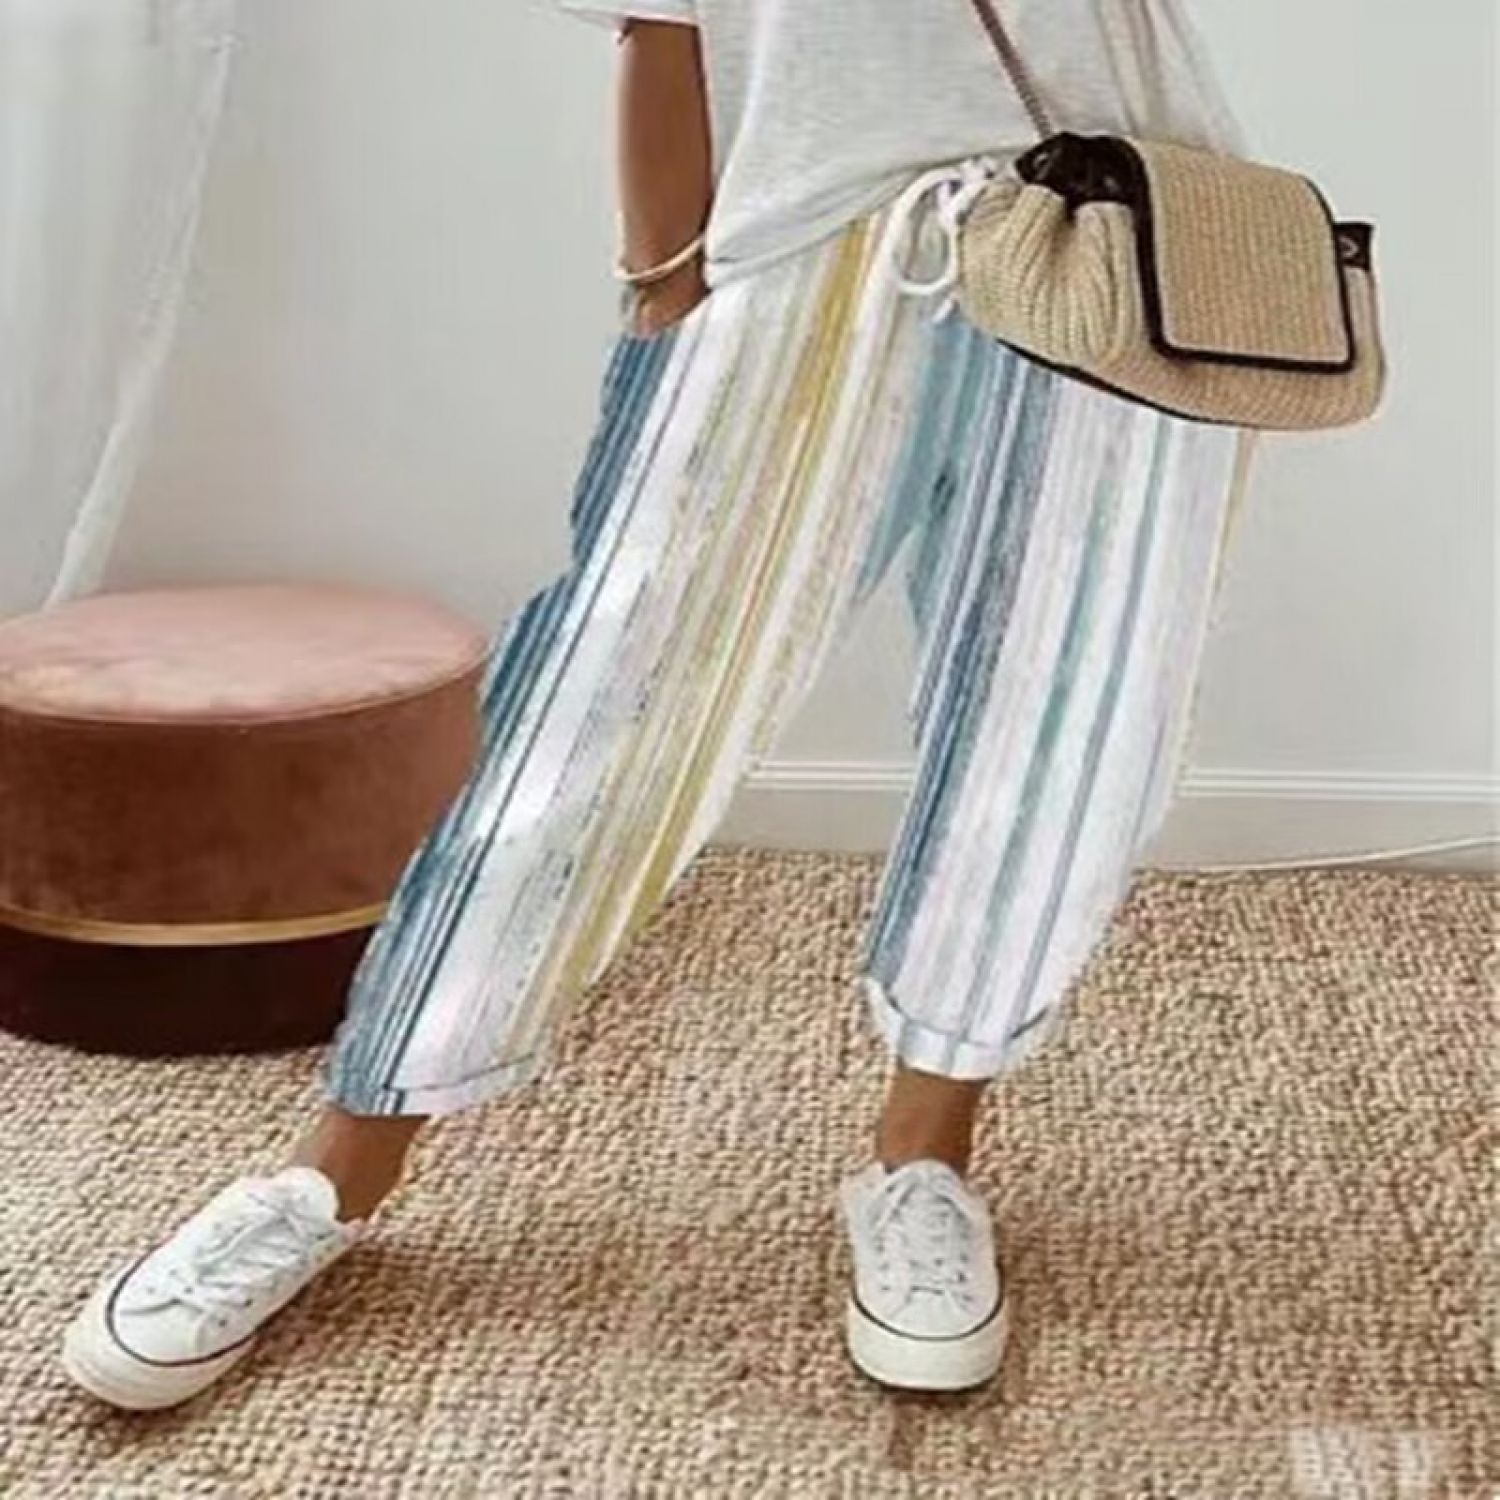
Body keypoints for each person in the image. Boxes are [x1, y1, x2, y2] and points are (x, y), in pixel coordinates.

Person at [62, 0, 1248, 1410]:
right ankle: (331, 1175)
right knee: (595, 726)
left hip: (1110, 244)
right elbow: (662, 22)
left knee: (1058, 734)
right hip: (804, 250)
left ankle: (923, 1162)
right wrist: (662, 292)